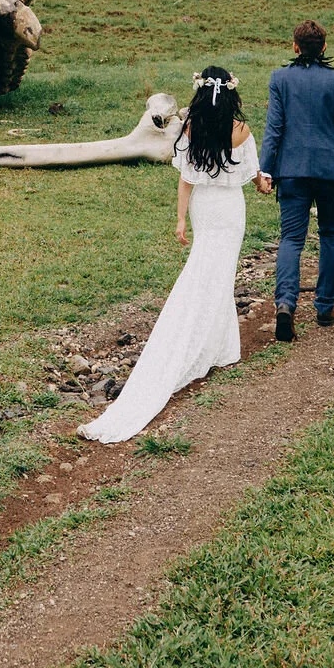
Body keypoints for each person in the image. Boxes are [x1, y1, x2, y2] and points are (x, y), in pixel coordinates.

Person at [79, 66, 260, 443]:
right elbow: (254, 174)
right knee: (220, 273)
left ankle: (221, 345)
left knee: (206, 268)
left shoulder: (191, 128)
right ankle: (215, 345)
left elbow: (187, 179)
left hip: (204, 209)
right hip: (230, 210)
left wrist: (180, 219)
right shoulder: (240, 131)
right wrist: (263, 182)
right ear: (230, 94)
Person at [257, 20, 334, 342]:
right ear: (325, 47)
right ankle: (325, 306)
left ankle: (286, 304)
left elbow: (274, 128)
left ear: (295, 47)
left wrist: (266, 169)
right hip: (332, 171)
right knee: (331, 236)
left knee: (291, 239)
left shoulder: (280, 79)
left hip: (291, 170)